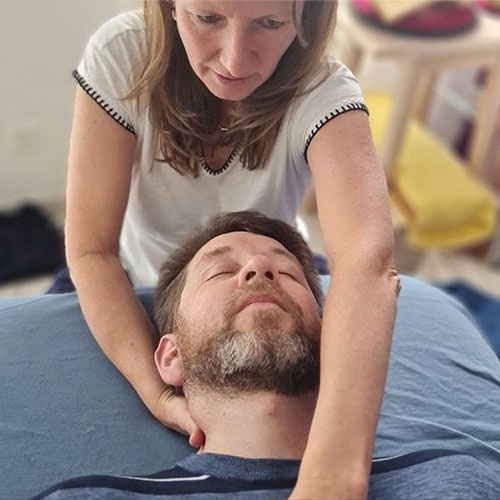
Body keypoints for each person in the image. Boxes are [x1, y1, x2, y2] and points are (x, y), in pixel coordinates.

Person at [58, 1, 400, 496]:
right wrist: (157, 395)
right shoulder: (122, 55)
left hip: (276, 262)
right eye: (208, 18)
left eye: (269, 23)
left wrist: (332, 479)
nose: (235, 60)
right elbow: (91, 252)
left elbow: (368, 265)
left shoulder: (325, 90)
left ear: (306, 18)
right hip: (137, 273)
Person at [32, 211, 500, 500]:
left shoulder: (451, 480)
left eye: (287, 273)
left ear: (337, 338)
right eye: (221, 272)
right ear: (170, 356)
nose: (259, 268)